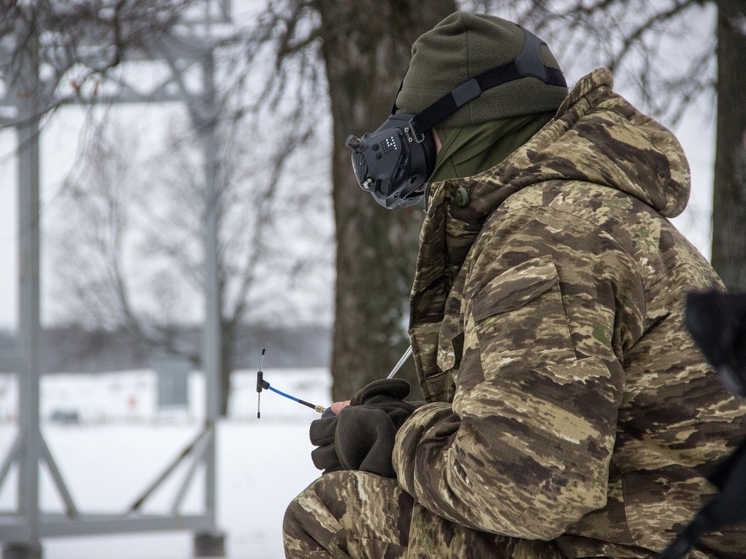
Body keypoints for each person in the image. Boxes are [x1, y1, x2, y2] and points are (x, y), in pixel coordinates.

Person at [283, 11, 746, 559]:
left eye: (418, 138)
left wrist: (394, 442)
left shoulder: (541, 237)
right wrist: (412, 426)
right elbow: (542, 433)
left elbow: (528, 489)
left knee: (332, 515)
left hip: (651, 545)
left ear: (464, 125)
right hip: (661, 533)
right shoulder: (579, 213)